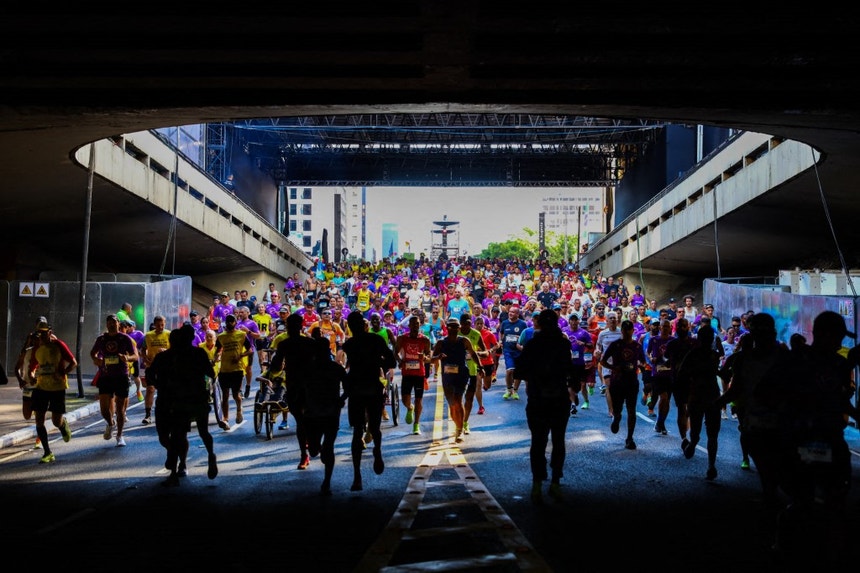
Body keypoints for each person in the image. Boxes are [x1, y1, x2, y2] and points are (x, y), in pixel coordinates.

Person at [515, 309, 575, 502]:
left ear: (539, 323)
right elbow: (571, 370)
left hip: (538, 398)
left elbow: (519, 371)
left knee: (538, 441)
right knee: (558, 440)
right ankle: (555, 481)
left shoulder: (533, 344)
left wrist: (535, 376)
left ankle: (537, 483)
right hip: (558, 397)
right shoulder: (563, 343)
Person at [146, 325, 218, 486]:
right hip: (184, 399)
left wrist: (159, 384)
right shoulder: (189, 354)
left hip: (181, 400)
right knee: (199, 432)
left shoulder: (175, 356)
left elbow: (150, 375)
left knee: (179, 433)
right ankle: (207, 455)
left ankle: (175, 465)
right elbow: (211, 374)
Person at [341, 310, 397, 491]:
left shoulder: (349, 344)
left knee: (357, 432)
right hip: (373, 387)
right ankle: (377, 451)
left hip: (356, 390)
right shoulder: (376, 340)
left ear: (350, 326)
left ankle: (357, 476)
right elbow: (391, 361)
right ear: (365, 325)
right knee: (375, 427)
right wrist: (378, 363)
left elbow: (348, 369)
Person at [269, 313, 321, 470]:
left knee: (300, 421)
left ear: (288, 328)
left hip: (295, 385)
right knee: (310, 418)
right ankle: (311, 446)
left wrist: (278, 365)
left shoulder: (285, 345)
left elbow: (276, 366)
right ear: (301, 326)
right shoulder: (310, 343)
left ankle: (304, 454)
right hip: (309, 385)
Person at [675, 324, 722, 480]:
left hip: (701, 396)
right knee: (709, 434)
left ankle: (709, 463)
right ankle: (708, 462)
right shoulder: (704, 355)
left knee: (704, 432)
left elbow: (681, 373)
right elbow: (683, 373)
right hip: (708, 396)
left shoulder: (697, 354)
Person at [304, 337, 348, 495]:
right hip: (314, 413)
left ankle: (327, 482)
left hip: (328, 413)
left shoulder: (335, 368)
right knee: (315, 450)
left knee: (327, 448)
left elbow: (348, 385)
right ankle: (323, 454)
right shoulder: (309, 369)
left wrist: (341, 400)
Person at [30, 320, 77, 463]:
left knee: (56, 421)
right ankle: (47, 452)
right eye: (39, 334)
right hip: (41, 387)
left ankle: (63, 425)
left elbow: (73, 363)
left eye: (44, 333)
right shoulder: (36, 348)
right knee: (39, 420)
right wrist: (32, 376)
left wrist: (62, 373)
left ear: (50, 333)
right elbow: (32, 367)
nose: (41, 337)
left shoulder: (59, 345)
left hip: (57, 387)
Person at [90, 314, 139, 447]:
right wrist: (97, 360)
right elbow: (92, 353)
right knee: (104, 410)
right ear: (107, 324)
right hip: (105, 376)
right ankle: (111, 423)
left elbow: (136, 355)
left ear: (119, 324)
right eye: (109, 322)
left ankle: (120, 435)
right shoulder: (101, 339)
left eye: (114, 322)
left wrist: (127, 358)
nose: (112, 324)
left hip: (121, 376)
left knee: (120, 409)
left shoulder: (125, 338)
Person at [432, 316, 480, 443]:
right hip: (447, 376)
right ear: (446, 328)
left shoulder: (464, 341)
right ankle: (458, 425)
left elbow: (474, 354)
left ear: (459, 328)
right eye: (450, 326)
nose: (452, 329)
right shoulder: (441, 343)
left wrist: (480, 367)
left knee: (458, 400)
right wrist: (438, 356)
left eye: (455, 326)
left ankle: (460, 429)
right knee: (452, 405)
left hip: (462, 375)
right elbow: (432, 359)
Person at [600, 319, 646, 450]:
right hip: (617, 382)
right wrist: (614, 368)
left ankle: (630, 438)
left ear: (632, 330)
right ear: (622, 331)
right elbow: (602, 361)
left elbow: (643, 362)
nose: (626, 332)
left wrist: (641, 368)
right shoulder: (616, 345)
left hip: (632, 382)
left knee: (632, 411)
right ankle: (616, 417)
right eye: (624, 330)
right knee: (618, 409)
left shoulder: (637, 346)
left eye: (629, 329)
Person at [394, 314, 432, 435]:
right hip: (407, 373)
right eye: (413, 324)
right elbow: (395, 352)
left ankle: (416, 424)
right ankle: (410, 408)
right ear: (409, 326)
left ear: (420, 325)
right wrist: (400, 361)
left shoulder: (425, 339)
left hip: (419, 373)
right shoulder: (402, 338)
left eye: (417, 324)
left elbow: (429, 357)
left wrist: (424, 357)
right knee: (405, 399)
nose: (415, 326)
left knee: (418, 399)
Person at [215, 314, 252, 429]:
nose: (230, 323)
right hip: (224, 369)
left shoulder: (242, 335)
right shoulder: (221, 336)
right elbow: (218, 351)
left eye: (232, 321)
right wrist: (216, 358)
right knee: (225, 395)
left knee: (235, 394)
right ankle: (225, 419)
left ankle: (239, 409)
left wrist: (240, 356)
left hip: (237, 369)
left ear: (236, 323)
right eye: (228, 322)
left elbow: (250, 350)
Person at [459, 312, 488, 435]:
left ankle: (465, 422)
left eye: (469, 324)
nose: (467, 326)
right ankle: (458, 420)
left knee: (469, 398)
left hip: (472, 370)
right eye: (465, 324)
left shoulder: (476, 334)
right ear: (461, 324)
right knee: (457, 398)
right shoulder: (456, 333)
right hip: (458, 371)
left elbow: (486, 352)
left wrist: (476, 354)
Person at [141, 315, 170, 425]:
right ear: (154, 325)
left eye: (162, 325)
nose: (161, 327)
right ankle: (148, 415)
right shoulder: (148, 336)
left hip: (166, 367)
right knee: (150, 389)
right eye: (158, 325)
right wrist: (145, 359)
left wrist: (165, 351)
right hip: (152, 367)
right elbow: (143, 349)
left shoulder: (169, 334)